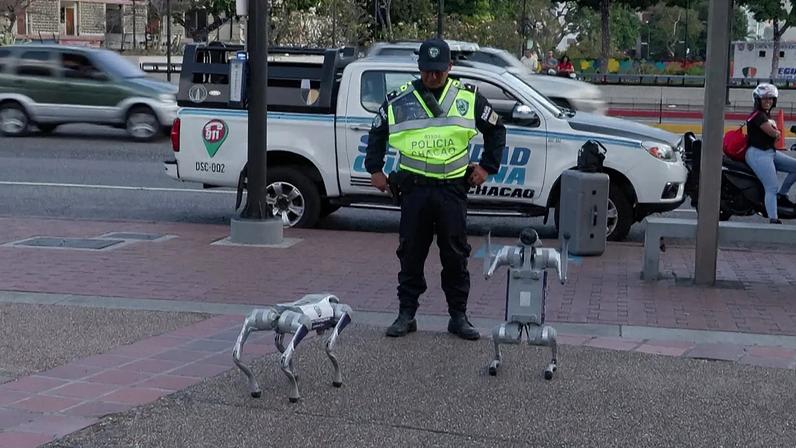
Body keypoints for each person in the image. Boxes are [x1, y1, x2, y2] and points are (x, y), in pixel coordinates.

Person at [365, 38, 506, 340]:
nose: (433, 76)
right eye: (428, 70)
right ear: (419, 68)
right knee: (410, 254)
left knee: (455, 255)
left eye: (439, 71)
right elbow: (377, 131)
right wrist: (375, 169)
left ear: (450, 68)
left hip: (452, 191)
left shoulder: (468, 98)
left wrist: (486, 167)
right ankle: (406, 314)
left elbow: (496, 129)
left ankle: (458, 316)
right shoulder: (401, 99)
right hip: (414, 190)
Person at [744, 83, 796, 224]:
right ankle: (773, 218)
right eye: (765, 99)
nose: (768, 101)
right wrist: (777, 132)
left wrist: (777, 133)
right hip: (758, 154)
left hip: (770, 152)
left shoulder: (764, 115)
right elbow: (773, 134)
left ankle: (782, 194)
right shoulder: (758, 116)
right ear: (758, 100)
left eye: (771, 99)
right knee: (771, 186)